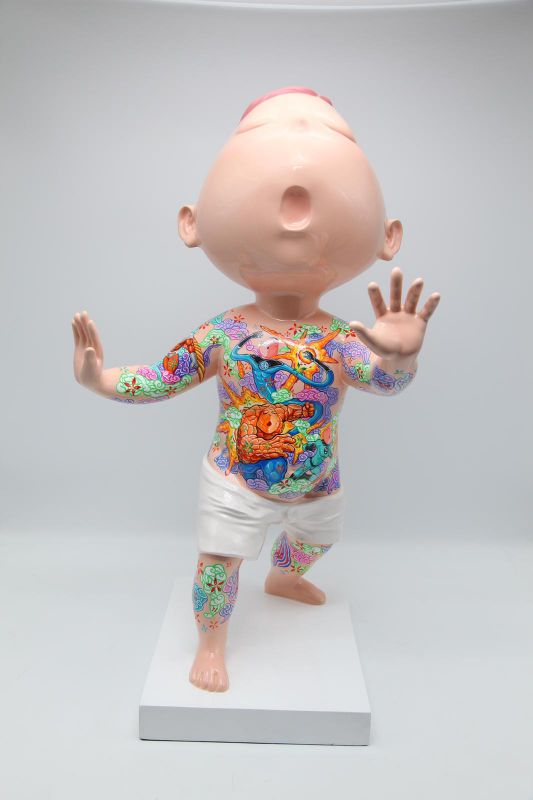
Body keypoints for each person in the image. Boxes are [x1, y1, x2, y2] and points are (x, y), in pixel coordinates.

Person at [72, 86, 440, 693]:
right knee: (219, 564)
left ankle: (285, 576)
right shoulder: (226, 332)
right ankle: (211, 643)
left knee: (318, 540)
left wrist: (403, 359)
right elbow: (163, 377)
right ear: (191, 224)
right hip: (235, 479)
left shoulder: (341, 339)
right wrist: (101, 380)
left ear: (388, 237)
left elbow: (385, 383)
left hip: (318, 480)